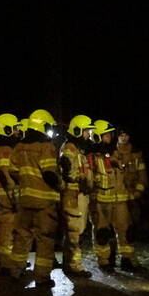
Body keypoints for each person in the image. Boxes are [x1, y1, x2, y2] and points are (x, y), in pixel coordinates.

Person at [12, 109, 61, 288]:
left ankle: (15, 271)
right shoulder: (46, 146)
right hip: (44, 202)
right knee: (45, 239)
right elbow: (49, 173)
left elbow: (13, 171)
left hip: (25, 201)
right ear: (42, 126)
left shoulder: (19, 147)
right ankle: (42, 278)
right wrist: (60, 184)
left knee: (22, 236)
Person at [90, 119, 137, 271]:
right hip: (101, 201)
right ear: (97, 136)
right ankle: (104, 261)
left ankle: (127, 259)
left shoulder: (116, 153)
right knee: (102, 232)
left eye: (110, 134)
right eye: (106, 135)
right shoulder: (92, 156)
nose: (110, 137)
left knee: (126, 231)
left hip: (120, 200)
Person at [59, 114, 95, 277]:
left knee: (77, 230)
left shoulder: (78, 149)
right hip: (71, 195)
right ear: (78, 130)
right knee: (73, 231)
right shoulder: (70, 149)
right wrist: (82, 178)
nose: (89, 134)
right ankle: (73, 265)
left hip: (78, 194)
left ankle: (71, 262)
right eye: (87, 131)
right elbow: (69, 173)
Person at [0, 113, 22, 276]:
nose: (17, 132)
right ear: (7, 130)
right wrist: (16, 199)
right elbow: (6, 176)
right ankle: (8, 265)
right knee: (8, 231)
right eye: (15, 128)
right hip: (6, 198)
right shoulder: (6, 150)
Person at [115, 128, 148, 259]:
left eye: (126, 135)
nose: (123, 138)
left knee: (131, 229)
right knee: (118, 227)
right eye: (121, 135)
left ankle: (128, 258)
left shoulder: (136, 155)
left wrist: (138, 192)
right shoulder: (112, 153)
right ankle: (111, 257)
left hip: (133, 198)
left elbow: (142, 176)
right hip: (116, 197)